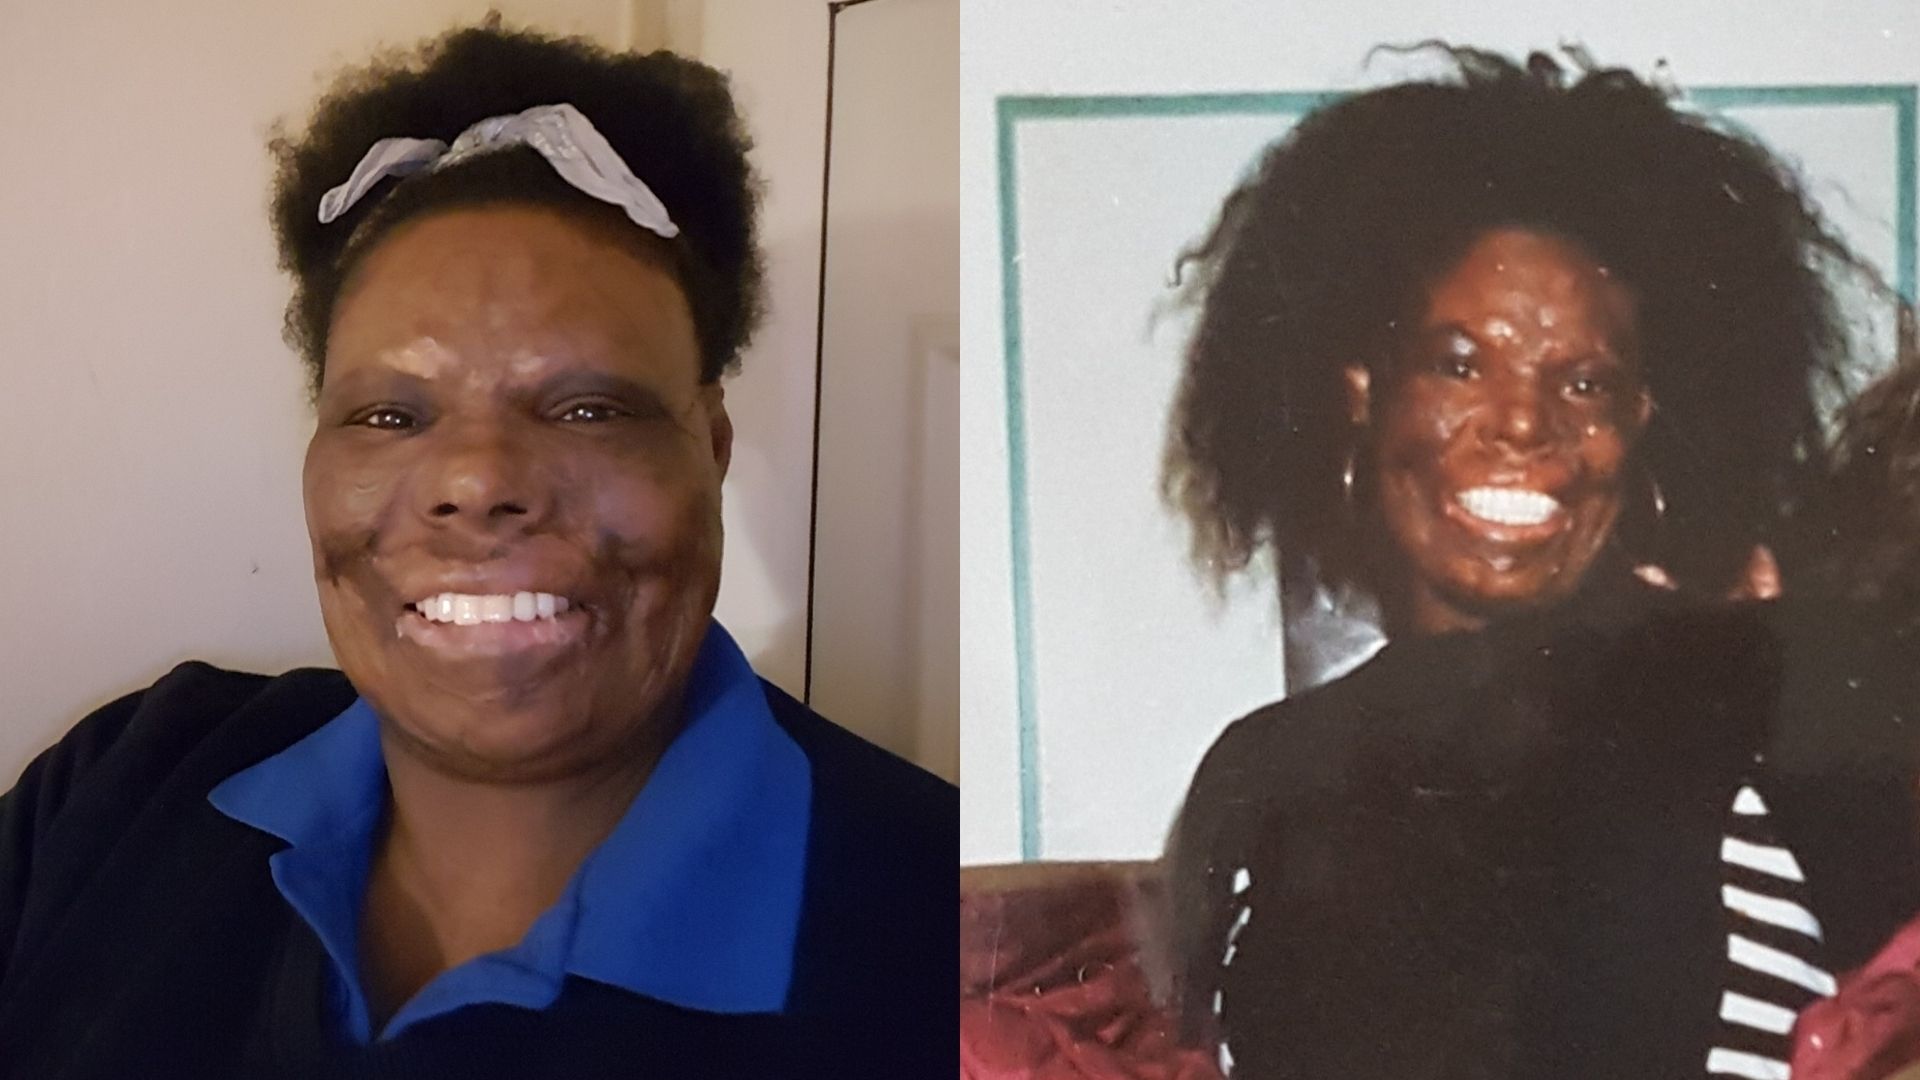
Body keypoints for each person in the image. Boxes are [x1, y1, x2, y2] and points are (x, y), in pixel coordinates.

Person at [0, 23, 954, 1079]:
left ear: (712, 449)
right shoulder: (121, 784)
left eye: (589, 410)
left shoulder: (947, 934)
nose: (478, 482)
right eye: (389, 417)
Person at [1160, 46, 1920, 1078]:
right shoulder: (1259, 775)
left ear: (1645, 424)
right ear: (1359, 392)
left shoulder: (1767, 679)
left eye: (1586, 384)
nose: (1521, 422)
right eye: (1460, 363)